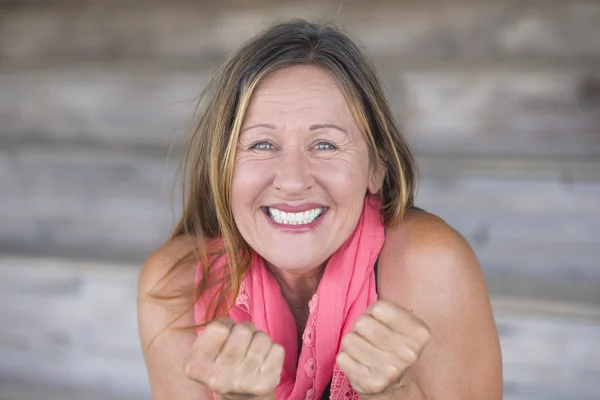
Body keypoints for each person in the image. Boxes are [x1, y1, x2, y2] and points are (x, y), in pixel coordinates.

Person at [137, 19, 502, 400]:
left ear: (375, 169)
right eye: (262, 145)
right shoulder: (175, 288)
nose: (293, 181)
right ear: (223, 167)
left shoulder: (430, 266)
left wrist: (397, 392)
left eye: (325, 145)